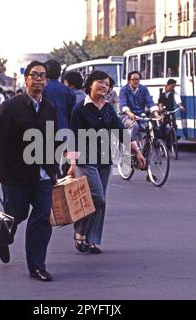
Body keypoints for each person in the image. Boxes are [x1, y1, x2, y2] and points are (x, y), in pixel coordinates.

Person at [0, 60, 60, 282]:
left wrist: (57, 167)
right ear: (26, 79)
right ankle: (2, 236)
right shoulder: (10, 107)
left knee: (41, 220)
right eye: (34, 75)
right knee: (16, 215)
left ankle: (37, 266)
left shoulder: (50, 108)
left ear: (46, 81)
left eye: (42, 76)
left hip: (43, 176)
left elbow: (53, 140)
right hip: (16, 174)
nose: (38, 79)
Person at [68, 70, 146, 254]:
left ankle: (92, 240)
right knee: (97, 197)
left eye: (107, 84)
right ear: (90, 85)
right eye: (100, 82)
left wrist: (137, 151)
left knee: (100, 201)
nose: (105, 86)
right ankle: (80, 231)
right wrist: (72, 164)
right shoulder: (80, 109)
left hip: (104, 159)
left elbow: (121, 132)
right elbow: (73, 137)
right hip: (85, 160)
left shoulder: (109, 109)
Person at [118, 71, 159, 151]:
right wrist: (130, 114)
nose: (136, 81)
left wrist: (156, 113)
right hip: (126, 115)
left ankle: (146, 148)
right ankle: (130, 147)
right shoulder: (124, 90)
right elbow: (123, 104)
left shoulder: (143, 89)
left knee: (150, 126)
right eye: (134, 79)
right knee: (135, 125)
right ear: (129, 80)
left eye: (138, 79)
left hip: (140, 115)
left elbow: (149, 101)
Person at [44, 59, 76, 131]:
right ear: (59, 73)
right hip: (64, 129)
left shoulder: (41, 89)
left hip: (45, 131)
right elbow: (73, 114)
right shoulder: (69, 91)